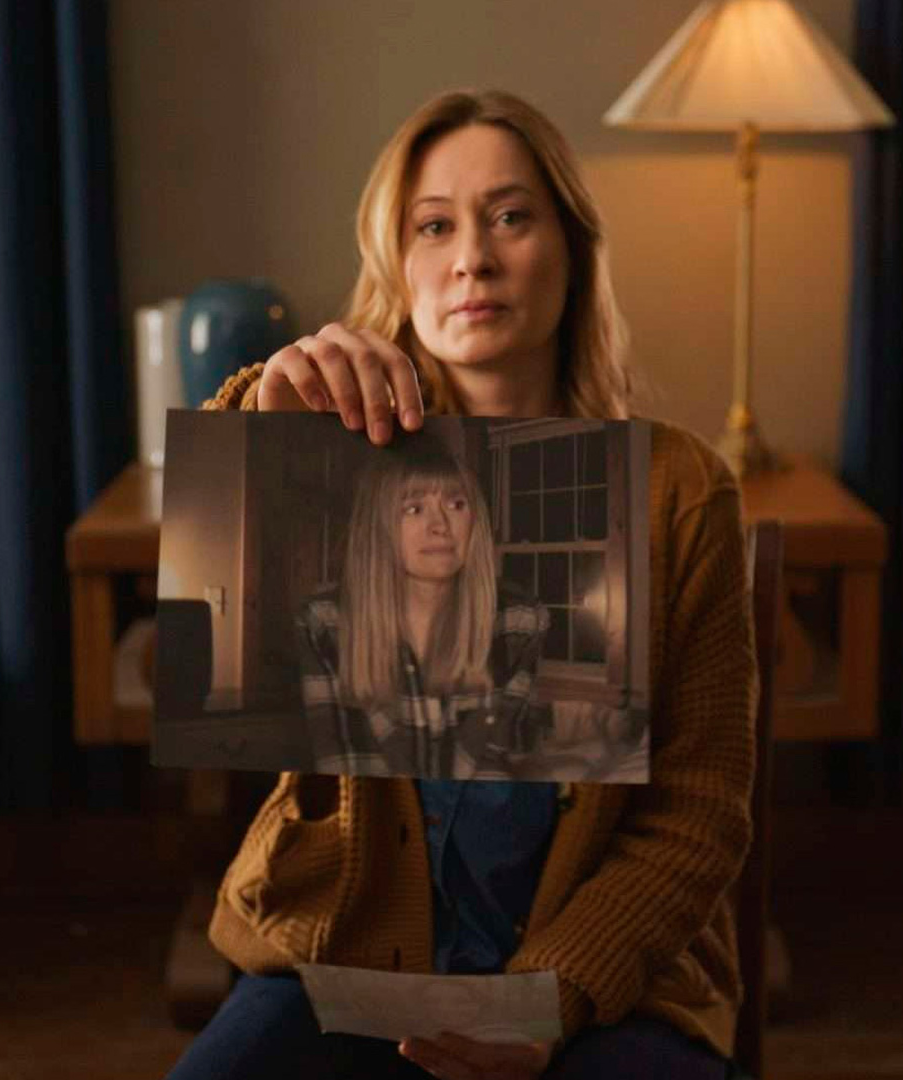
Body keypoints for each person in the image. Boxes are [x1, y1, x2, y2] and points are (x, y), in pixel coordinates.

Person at [166, 88, 754, 1080]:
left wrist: (552, 996)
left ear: (573, 248)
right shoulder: (327, 453)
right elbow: (214, 626)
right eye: (433, 226)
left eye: (511, 217)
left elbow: (699, 816)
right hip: (339, 956)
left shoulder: (678, 490)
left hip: (606, 982)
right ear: (396, 264)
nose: (472, 257)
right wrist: (266, 412)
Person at [296, 441, 550, 780]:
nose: (440, 525)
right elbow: (341, 766)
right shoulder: (324, 623)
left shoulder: (519, 622)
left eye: (456, 504)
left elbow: (499, 768)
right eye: (414, 509)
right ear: (378, 526)